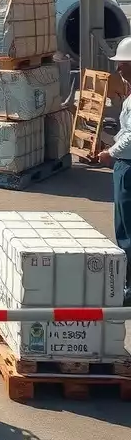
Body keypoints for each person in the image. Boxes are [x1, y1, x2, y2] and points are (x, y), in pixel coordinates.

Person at [95, 36, 131, 305]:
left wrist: (111, 153)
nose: (119, 70)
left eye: (123, 64)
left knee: (126, 229)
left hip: (128, 168)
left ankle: (128, 289)